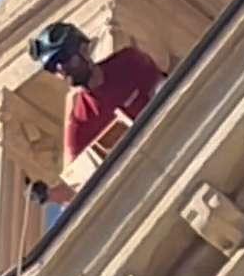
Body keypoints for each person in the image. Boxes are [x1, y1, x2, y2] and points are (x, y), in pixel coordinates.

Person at [25, 22, 165, 206]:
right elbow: (76, 184)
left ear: (83, 49)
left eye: (64, 57)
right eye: (52, 66)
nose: (61, 68)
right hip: (147, 185)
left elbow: (167, 90)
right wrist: (48, 194)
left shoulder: (128, 62)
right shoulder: (80, 121)